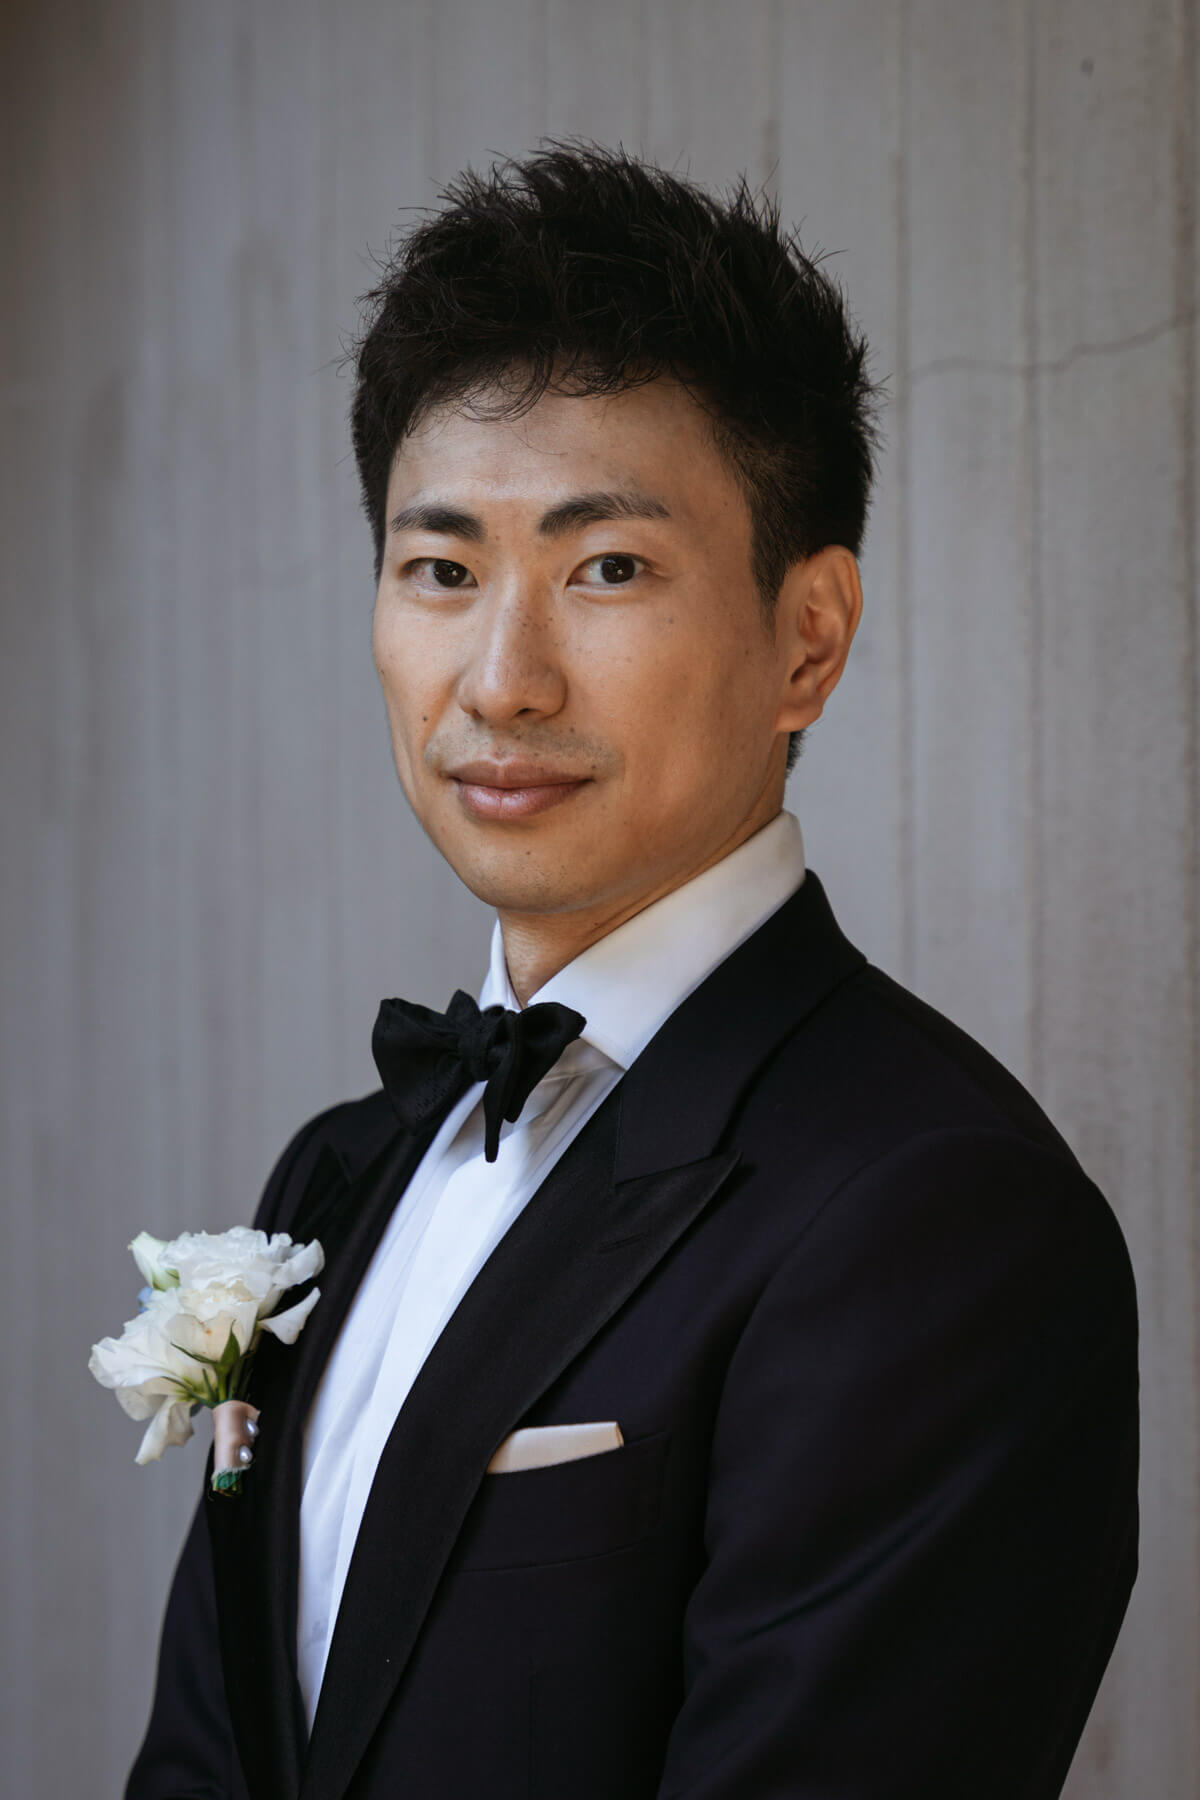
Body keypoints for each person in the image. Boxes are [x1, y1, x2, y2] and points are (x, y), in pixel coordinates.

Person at [127, 142, 1138, 1800]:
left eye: (607, 568)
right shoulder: (337, 1173)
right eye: (443, 570)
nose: (501, 680)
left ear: (808, 638)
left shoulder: (938, 1217)